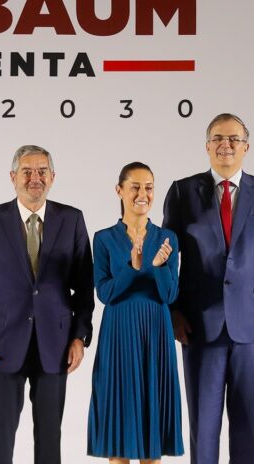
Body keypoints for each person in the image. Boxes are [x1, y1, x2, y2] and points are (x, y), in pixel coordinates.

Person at [162, 113, 254, 464]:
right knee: (203, 427)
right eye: (218, 138)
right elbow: (167, 257)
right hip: (199, 325)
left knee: (248, 424)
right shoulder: (182, 191)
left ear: (246, 147)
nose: (226, 145)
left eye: (234, 139)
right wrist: (172, 311)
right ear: (207, 146)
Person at [0, 145, 95, 464]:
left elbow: (84, 286)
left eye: (42, 171)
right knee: (1, 440)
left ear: (53, 177)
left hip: (56, 345)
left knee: (50, 439)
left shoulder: (72, 219)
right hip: (1, 346)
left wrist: (79, 337)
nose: (35, 178)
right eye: (27, 171)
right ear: (13, 177)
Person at [88, 162, 184, 463]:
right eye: (135, 187)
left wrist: (158, 267)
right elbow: (105, 294)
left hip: (156, 334)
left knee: (152, 432)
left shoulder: (168, 238)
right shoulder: (103, 238)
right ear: (119, 191)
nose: (143, 194)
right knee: (119, 432)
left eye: (149, 188)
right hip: (119, 336)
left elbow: (169, 295)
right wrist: (133, 266)